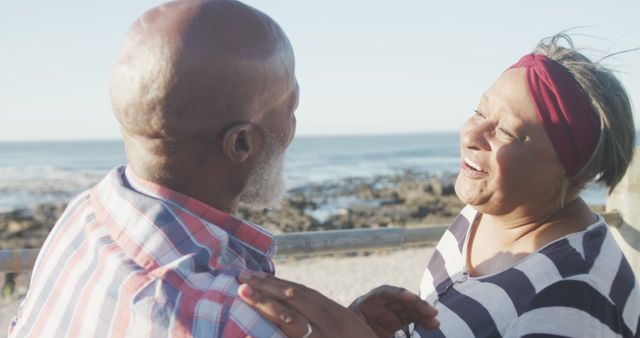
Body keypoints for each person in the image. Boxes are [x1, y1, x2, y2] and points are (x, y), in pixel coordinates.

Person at [236, 35, 640, 338]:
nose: (472, 135)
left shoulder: (569, 299)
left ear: (577, 174)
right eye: (479, 111)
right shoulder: (483, 214)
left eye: (508, 132)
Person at [10, 0, 299, 336]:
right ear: (241, 144)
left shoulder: (83, 216)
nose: (293, 126)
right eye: (292, 109)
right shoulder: (235, 317)